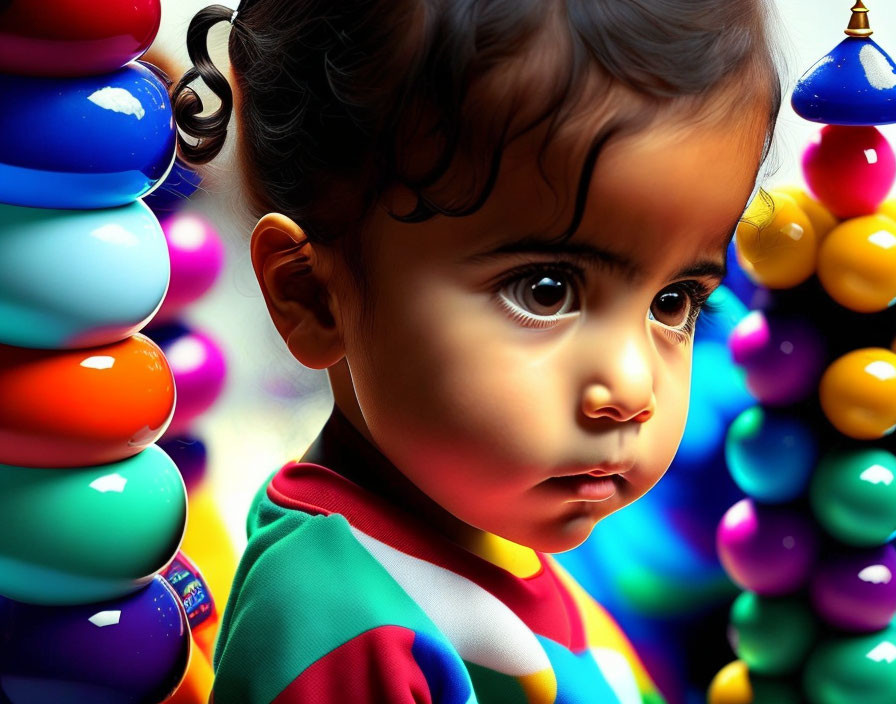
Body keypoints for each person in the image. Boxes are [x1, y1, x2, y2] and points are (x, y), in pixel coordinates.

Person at [171, 1, 781, 701]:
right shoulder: (345, 630)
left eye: (674, 302)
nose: (634, 388)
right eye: (546, 292)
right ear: (312, 296)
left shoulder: (481, 522)